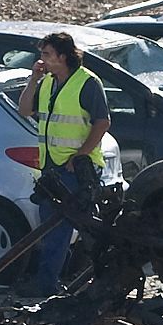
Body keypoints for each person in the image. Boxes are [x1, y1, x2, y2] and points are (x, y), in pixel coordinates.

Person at [18, 32, 110, 296]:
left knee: (74, 229)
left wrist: (80, 155)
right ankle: (51, 284)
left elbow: (102, 123)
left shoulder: (87, 83)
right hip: (51, 167)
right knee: (52, 228)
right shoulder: (47, 82)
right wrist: (34, 79)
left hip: (76, 170)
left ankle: (51, 285)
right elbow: (25, 110)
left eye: (46, 54)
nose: (42, 59)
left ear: (62, 56)